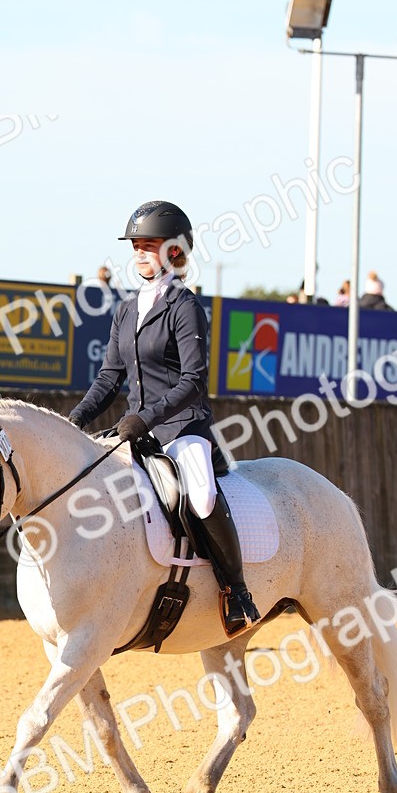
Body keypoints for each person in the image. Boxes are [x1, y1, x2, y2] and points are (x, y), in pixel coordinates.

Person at [69, 200, 261, 633]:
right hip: (136, 432)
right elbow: (109, 377)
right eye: (135, 245)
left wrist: (146, 416)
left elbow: (193, 379)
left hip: (182, 428)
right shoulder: (126, 310)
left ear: (174, 251)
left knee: (201, 496)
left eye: (147, 245)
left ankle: (237, 591)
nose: (138, 253)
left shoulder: (184, 305)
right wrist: (74, 421)